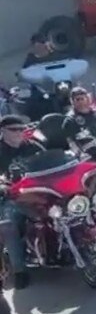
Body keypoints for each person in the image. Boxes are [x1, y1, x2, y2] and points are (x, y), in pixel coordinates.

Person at [0, 116, 41, 289]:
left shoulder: (33, 146)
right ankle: (19, 271)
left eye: (21, 129)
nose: (19, 133)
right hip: (12, 197)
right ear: (2, 131)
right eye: (13, 129)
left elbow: (51, 160)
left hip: (40, 191)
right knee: (8, 225)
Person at [62, 87, 96, 153]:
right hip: (89, 154)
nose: (80, 102)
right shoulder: (70, 121)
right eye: (77, 99)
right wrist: (80, 154)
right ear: (72, 102)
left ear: (88, 99)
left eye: (82, 98)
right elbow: (72, 144)